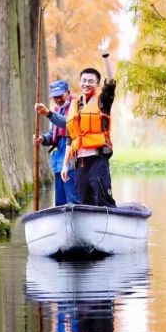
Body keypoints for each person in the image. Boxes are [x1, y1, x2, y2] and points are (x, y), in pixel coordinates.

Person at [61, 37, 116, 207]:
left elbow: (112, 82)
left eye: (91, 81)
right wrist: (64, 166)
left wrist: (105, 54)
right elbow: (70, 139)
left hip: (98, 160)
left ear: (97, 84)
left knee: (102, 199)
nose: (87, 84)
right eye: (84, 80)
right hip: (79, 163)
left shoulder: (102, 101)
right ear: (80, 82)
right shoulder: (74, 106)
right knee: (84, 201)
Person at [34, 79, 79, 206]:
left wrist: (48, 113)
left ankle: (77, 221)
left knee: (73, 198)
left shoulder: (76, 106)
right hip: (58, 161)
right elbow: (52, 134)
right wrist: (42, 138)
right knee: (60, 201)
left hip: (71, 158)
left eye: (60, 96)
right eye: (54, 97)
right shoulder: (57, 110)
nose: (57, 99)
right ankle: (62, 223)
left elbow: (67, 123)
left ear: (68, 92)